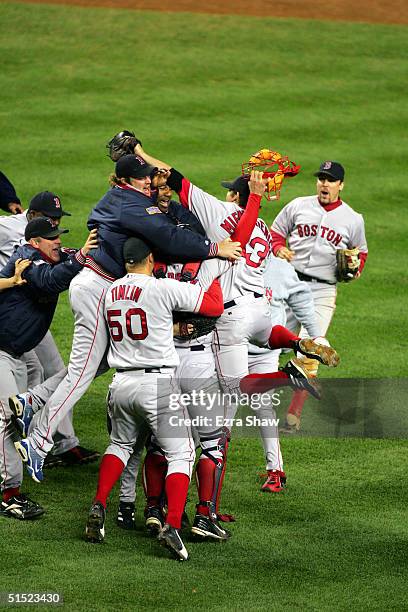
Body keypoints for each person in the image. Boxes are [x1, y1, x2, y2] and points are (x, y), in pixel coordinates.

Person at [13, 154, 242, 485]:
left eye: (148, 176)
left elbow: (165, 231)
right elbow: (168, 238)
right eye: (142, 177)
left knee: (103, 361)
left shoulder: (126, 199)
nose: (148, 181)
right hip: (95, 287)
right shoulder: (129, 203)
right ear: (125, 180)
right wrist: (213, 248)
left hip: (101, 285)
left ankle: (32, 400)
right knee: (81, 373)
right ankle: (38, 443)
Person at [85, 237, 224, 561]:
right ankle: (172, 525)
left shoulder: (110, 292)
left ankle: (99, 505)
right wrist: (216, 264)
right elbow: (209, 304)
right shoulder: (161, 288)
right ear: (150, 258)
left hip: (121, 384)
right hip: (157, 383)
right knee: (183, 453)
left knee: (119, 445)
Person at [0, 218, 97, 519]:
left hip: (15, 352)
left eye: (58, 236)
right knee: (7, 418)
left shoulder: (53, 255)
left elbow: (75, 261)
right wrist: (79, 258)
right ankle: (7, 494)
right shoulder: (25, 260)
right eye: (50, 237)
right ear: (35, 242)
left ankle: (34, 409)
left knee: (17, 415)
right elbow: (49, 281)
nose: (57, 240)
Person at [270, 160, 368, 429]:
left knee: (312, 344)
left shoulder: (352, 218)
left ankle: (293, 415)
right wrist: (279, 249)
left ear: (341, 185)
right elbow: (275, 233)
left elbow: (361, 254)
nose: (324, 183)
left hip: (323, 290)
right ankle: (256, 392)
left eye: (330, 180)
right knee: (269, 340)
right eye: (321, 178)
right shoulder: (298, 206)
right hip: (289, 283)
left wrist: (353, 269)